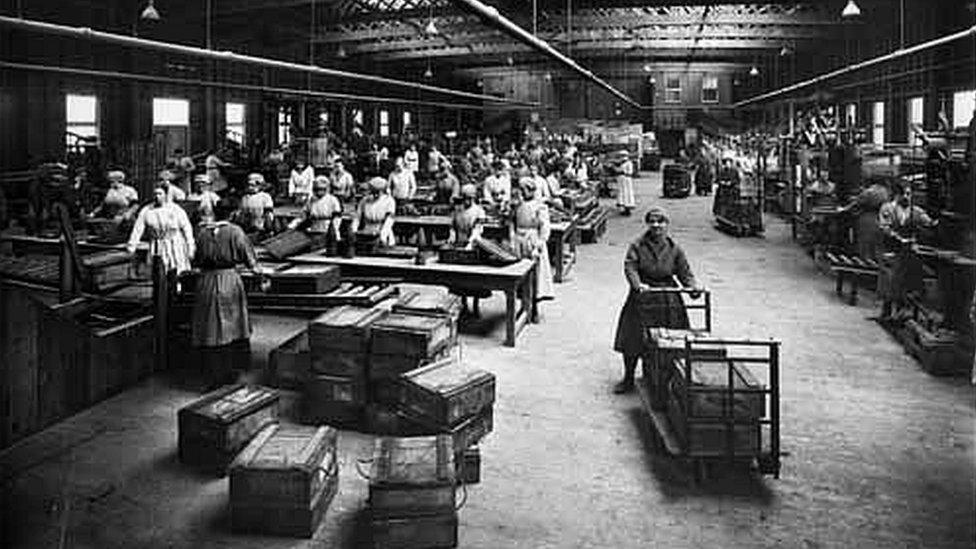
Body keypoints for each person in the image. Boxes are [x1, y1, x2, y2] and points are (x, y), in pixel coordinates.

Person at [612, 206, 702, 394]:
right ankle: (628, 378)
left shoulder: (675, 248)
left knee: (671, 339)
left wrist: (693, 287)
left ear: (667, 224)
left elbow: (685, 272)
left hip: (668, 297)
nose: (656, 225)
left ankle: (667, 381)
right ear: (647, 224)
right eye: (652, 221)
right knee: (633, 337)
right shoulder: (637, 245)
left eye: (660, 221)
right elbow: (630, 266)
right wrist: (638, 285)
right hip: (643, 295)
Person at [192, 199, 267, 388]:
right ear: (233, 214)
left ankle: (211, 372)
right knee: (231, 326)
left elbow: (197, 259)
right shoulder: (235, 231)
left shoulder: (202, 233)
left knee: (210, 328)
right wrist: (262, 275)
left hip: (206, 283)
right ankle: (230, 373)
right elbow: (250, 260)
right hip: (229, 281)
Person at [126, 183, 196, 275]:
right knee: (159, 274)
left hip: (175, 244)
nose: (157, 196)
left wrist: (190, 246)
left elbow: (187, 228)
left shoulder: (176, 210)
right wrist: (132, 246)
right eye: (155, 194)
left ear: (166, 195)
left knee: (176, 273)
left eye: (160, 194)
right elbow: (138, 229)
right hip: (157, 245)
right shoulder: (147, 210)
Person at [511, 178, 555, 302]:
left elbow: (545, 227)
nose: (521, 192)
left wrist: (540, 243)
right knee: (520, 273)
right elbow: (512, 222)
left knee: (535, 274)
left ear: (531, 190)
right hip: (519, 240)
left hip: (533, 239)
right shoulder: (518, 205)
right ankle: (523, 302)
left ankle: (534, 305)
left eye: (523, 189)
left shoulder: (539, 206)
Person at [840, 179, 890, 260]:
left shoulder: (870, 191)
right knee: (876, 244)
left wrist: (844, 209)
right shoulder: (885, 192)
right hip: (879, 219)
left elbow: (857, 203)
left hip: (866, 218)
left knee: (864, 243)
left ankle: (865, 263)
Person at [289, 175, 343, 240]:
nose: (319, 191)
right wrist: (292, 225)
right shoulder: (311, 200)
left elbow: (337, 218)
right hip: (313, 230)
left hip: (328, 231)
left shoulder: (333, 200)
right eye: (317, 189)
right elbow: (303, 216)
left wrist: (334, 230)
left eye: (322, 189)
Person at [354, 177, 397, 247]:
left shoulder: (389, 201)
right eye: (372, 191)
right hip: (366, 232)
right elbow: (357, 217)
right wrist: (354, 230)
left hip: (382, 233)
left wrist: (383, 235)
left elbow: (389, 220)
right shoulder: (364, 200)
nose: (373, 194)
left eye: (376, 191)